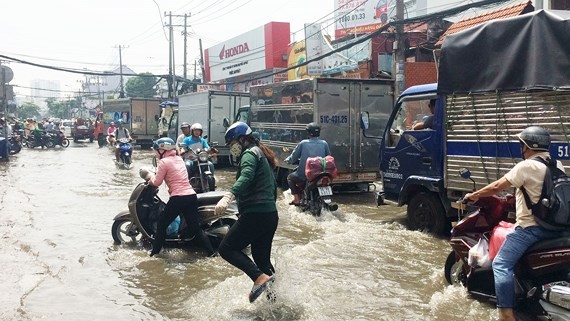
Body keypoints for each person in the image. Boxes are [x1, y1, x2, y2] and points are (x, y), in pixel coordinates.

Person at [463, 126, 565, 321]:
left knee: (501, 264)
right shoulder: (557, 165)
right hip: (557, 229)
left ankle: (506, 314)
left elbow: (496, 186)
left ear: (526, 146)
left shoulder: (526, 166)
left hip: (532, 229)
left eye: (522, 145)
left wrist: (473, 195)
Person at [215, 122, 279, 303]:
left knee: (226, 248)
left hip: (255, 214)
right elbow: (273, 188)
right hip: (269, 215)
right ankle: (275, 301)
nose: (231, 148)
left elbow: (247, 175)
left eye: (232, 143)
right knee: (262, 261)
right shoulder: (261, 154)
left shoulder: (250, 154)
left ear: (242, 139)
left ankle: (259, 278)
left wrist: (229, 195)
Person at [141, 137, 216, 257]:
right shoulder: (179, 159)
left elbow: (157, 182)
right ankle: (211, 253)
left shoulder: (164, 162)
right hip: (191, 196)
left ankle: (154, 255)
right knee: (195, 228)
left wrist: (150, 180)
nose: (155, 153)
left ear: (162, 150)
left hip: (178, 198)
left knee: (161, 225)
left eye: (156, 150)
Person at [284, 122, 331, 206]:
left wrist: (288, 160)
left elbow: (294, 157)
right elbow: (328, 158)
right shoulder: (324, 143)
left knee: (290, 178)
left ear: (308, 132)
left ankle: (296, 199)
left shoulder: (303, 143)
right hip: (321, 174)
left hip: (304, 174)